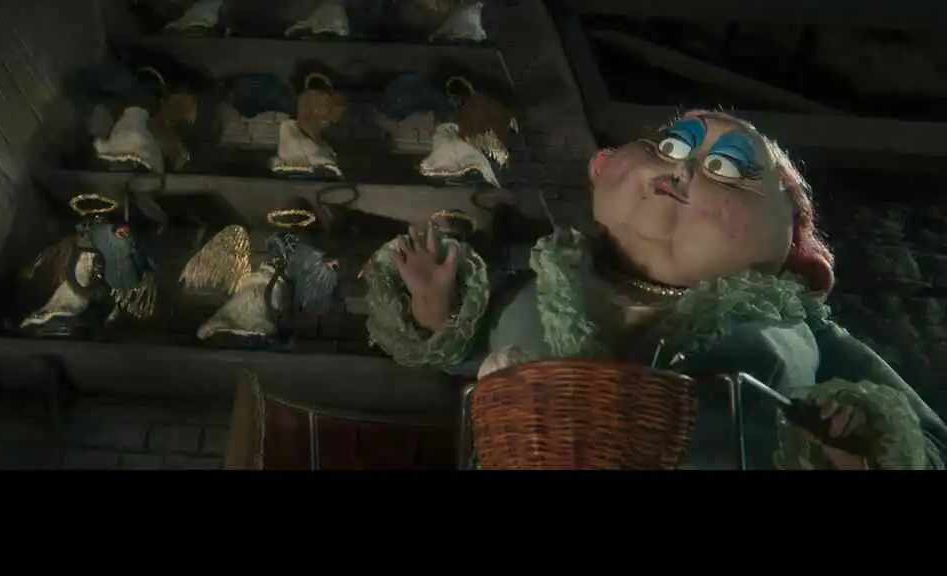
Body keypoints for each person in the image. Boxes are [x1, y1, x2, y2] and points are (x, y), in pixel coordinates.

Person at [364, 110, 947, 469]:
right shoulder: (544, 282)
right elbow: (475, 355)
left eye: (728, 169)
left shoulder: (797, 328)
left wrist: (859, 448)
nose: (681, 169)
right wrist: (437, 310)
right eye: (670, 147)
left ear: (788, 230)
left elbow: (918, 438)